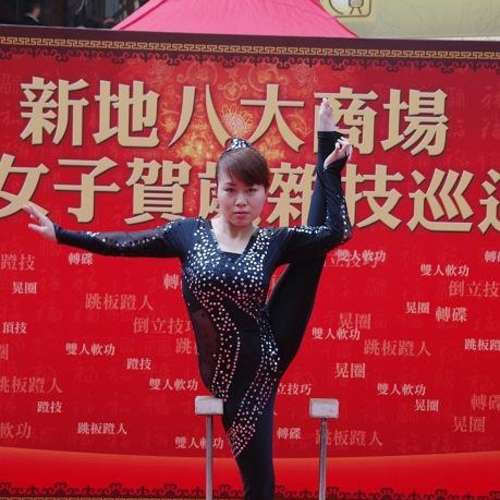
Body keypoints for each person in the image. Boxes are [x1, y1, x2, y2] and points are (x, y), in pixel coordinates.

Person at [24, 98, 352, 499]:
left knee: (311, 258)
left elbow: (336, 232)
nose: (241, 201)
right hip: (225, 372)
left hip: (266, 356)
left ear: (266, 193)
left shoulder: (273, 241)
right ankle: (324, 142)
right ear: (215, 190)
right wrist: (61, 234)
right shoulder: (189, 235)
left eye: (252, 191)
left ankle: (324, 140)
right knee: (260, 484)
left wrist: (331, 169)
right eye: (231, 190)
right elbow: (124, 243)